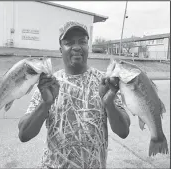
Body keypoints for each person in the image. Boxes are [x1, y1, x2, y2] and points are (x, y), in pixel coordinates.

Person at [18, 21, 131, 169]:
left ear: (88, 47)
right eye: (69, 42)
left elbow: (123, 131)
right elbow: (24, 134)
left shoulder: (104, 82)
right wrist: (45, 104)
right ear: (61, 49)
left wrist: (109, 103)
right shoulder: (48, 84)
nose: (76, 47)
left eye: (82, 42)